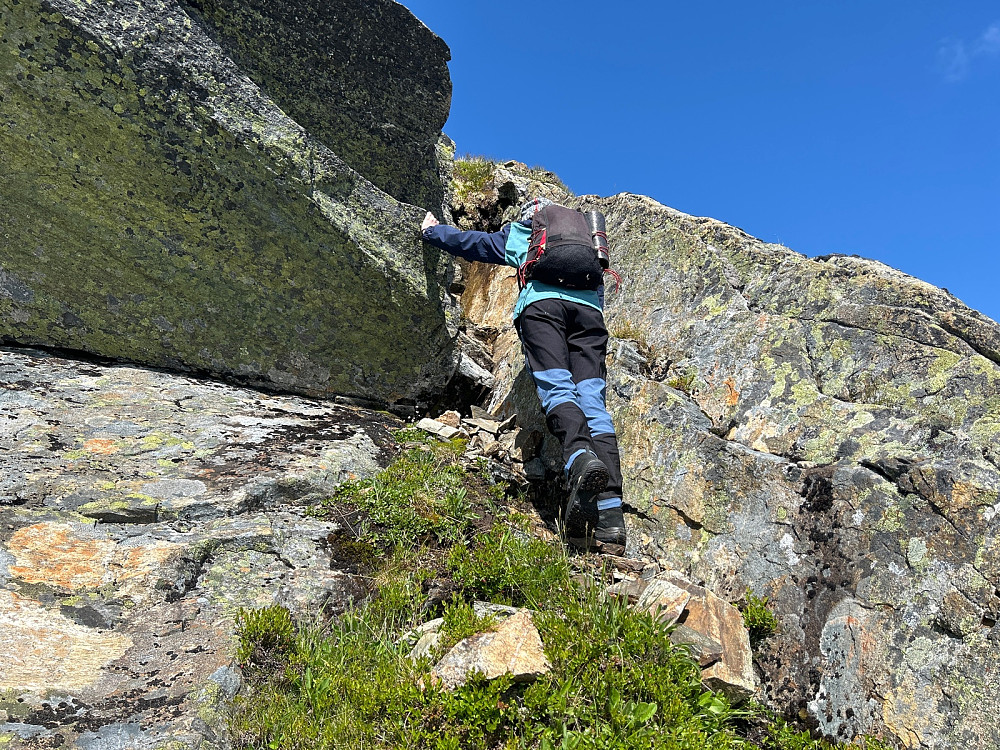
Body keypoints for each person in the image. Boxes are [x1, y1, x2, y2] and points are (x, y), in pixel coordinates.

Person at [420, 198, 626, 552]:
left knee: (558, 388)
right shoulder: (590, 247)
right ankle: (611, 519)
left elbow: (475, 244)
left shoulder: (529, 236)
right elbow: (600, 290)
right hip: (590, 316)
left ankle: (579, 458)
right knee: (593, 401)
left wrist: (431, 231)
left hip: (543, 309)